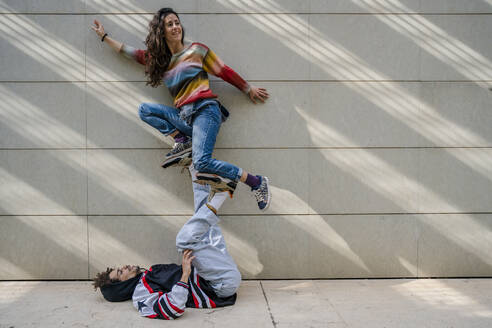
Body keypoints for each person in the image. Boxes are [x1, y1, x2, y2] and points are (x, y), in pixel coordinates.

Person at [91, 7, 271, 210]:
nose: (176, 27)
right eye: (170, 24)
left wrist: (248, 89)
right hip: (184, 118)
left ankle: (256, 182)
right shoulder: (161, 61)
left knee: (202, 163)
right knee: (145, 110)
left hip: (205, 112)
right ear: (162, 31)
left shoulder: (197, 50)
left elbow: (224, 71)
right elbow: (130, 52)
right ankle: (181, 140)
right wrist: (105, 37)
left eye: (177, 22)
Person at [93, 170, 241, 320]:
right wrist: (185, 274)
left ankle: (196, 168)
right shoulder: (140, 294)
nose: (124, 267)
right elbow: (171, 309)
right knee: (184, 240)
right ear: (121, 286)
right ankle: (223, 191)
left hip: (215, 275)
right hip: (219, 286)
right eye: (120, 272)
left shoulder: (147, 276)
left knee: (203, 219)